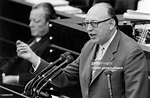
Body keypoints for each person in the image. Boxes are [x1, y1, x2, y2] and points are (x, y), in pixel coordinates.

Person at [17, 2, 148, 98]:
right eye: (86, 24)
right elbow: (64, 77)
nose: (89, 29)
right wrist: (33, 58)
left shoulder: (131, 52)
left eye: (94, 23)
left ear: (111, 24)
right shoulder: (89, 46)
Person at [2, 2, 57, 85]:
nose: (31, 25)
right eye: (30, 20)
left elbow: (46, 73)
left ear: (49, 23)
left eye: (36, 21)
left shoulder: (50, 45)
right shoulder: (33, 40)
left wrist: (16, 79)